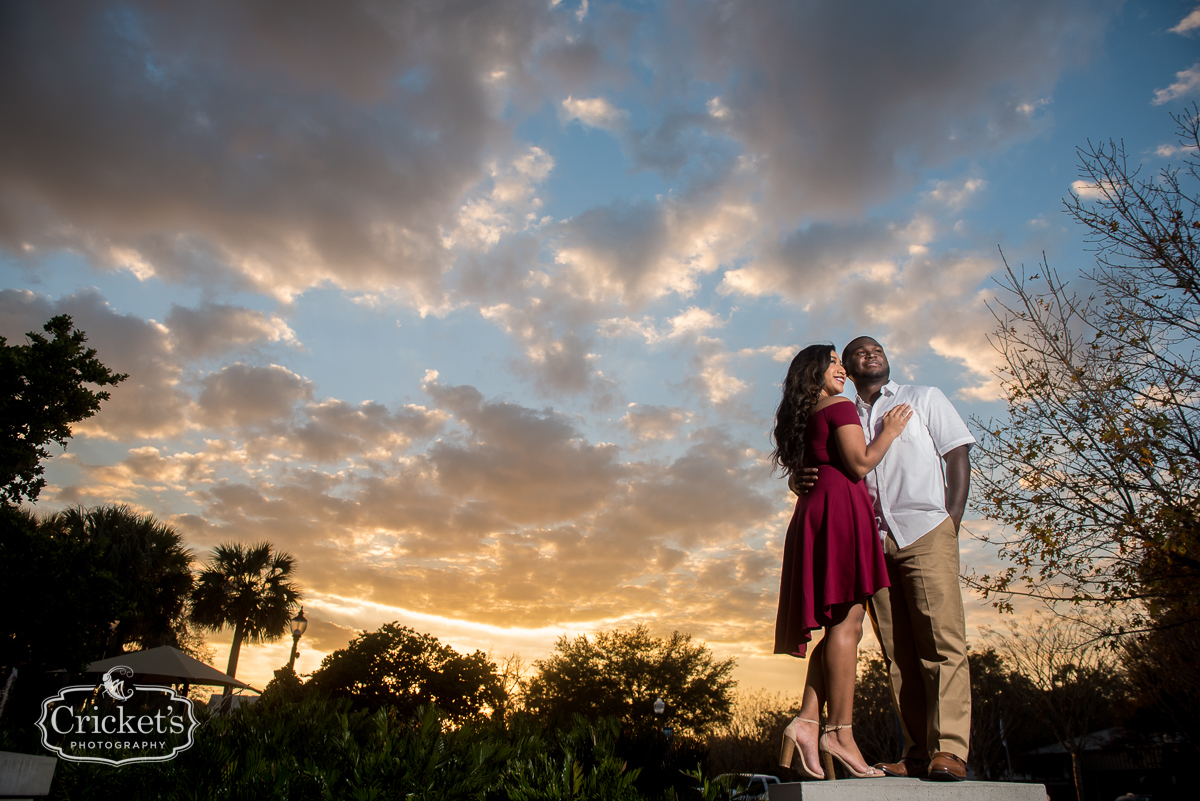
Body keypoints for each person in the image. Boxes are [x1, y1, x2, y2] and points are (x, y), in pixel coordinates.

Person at [771, 343, 913, 780]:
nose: (842, 371)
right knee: (848, 626)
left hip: (819, 513)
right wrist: (888, 430)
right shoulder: (839, 406)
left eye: (841, 364)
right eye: (833, 362)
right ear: (812, 371)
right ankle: (841, 732)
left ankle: (807, 723)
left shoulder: (807, 413)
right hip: (839, 512)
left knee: (839, 625)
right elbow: (860, 462)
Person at [840, 335, 976, 782]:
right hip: (874, 541)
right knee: (899, 654)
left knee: (942, 643)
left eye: (876, 347)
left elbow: (956, 451)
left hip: (925, 531)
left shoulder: (924, 397)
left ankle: (951, 751)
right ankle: (918, 753)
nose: (871, 353)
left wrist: (950, 520)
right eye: (860, 351)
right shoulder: (846, 417)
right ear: (847, 367)